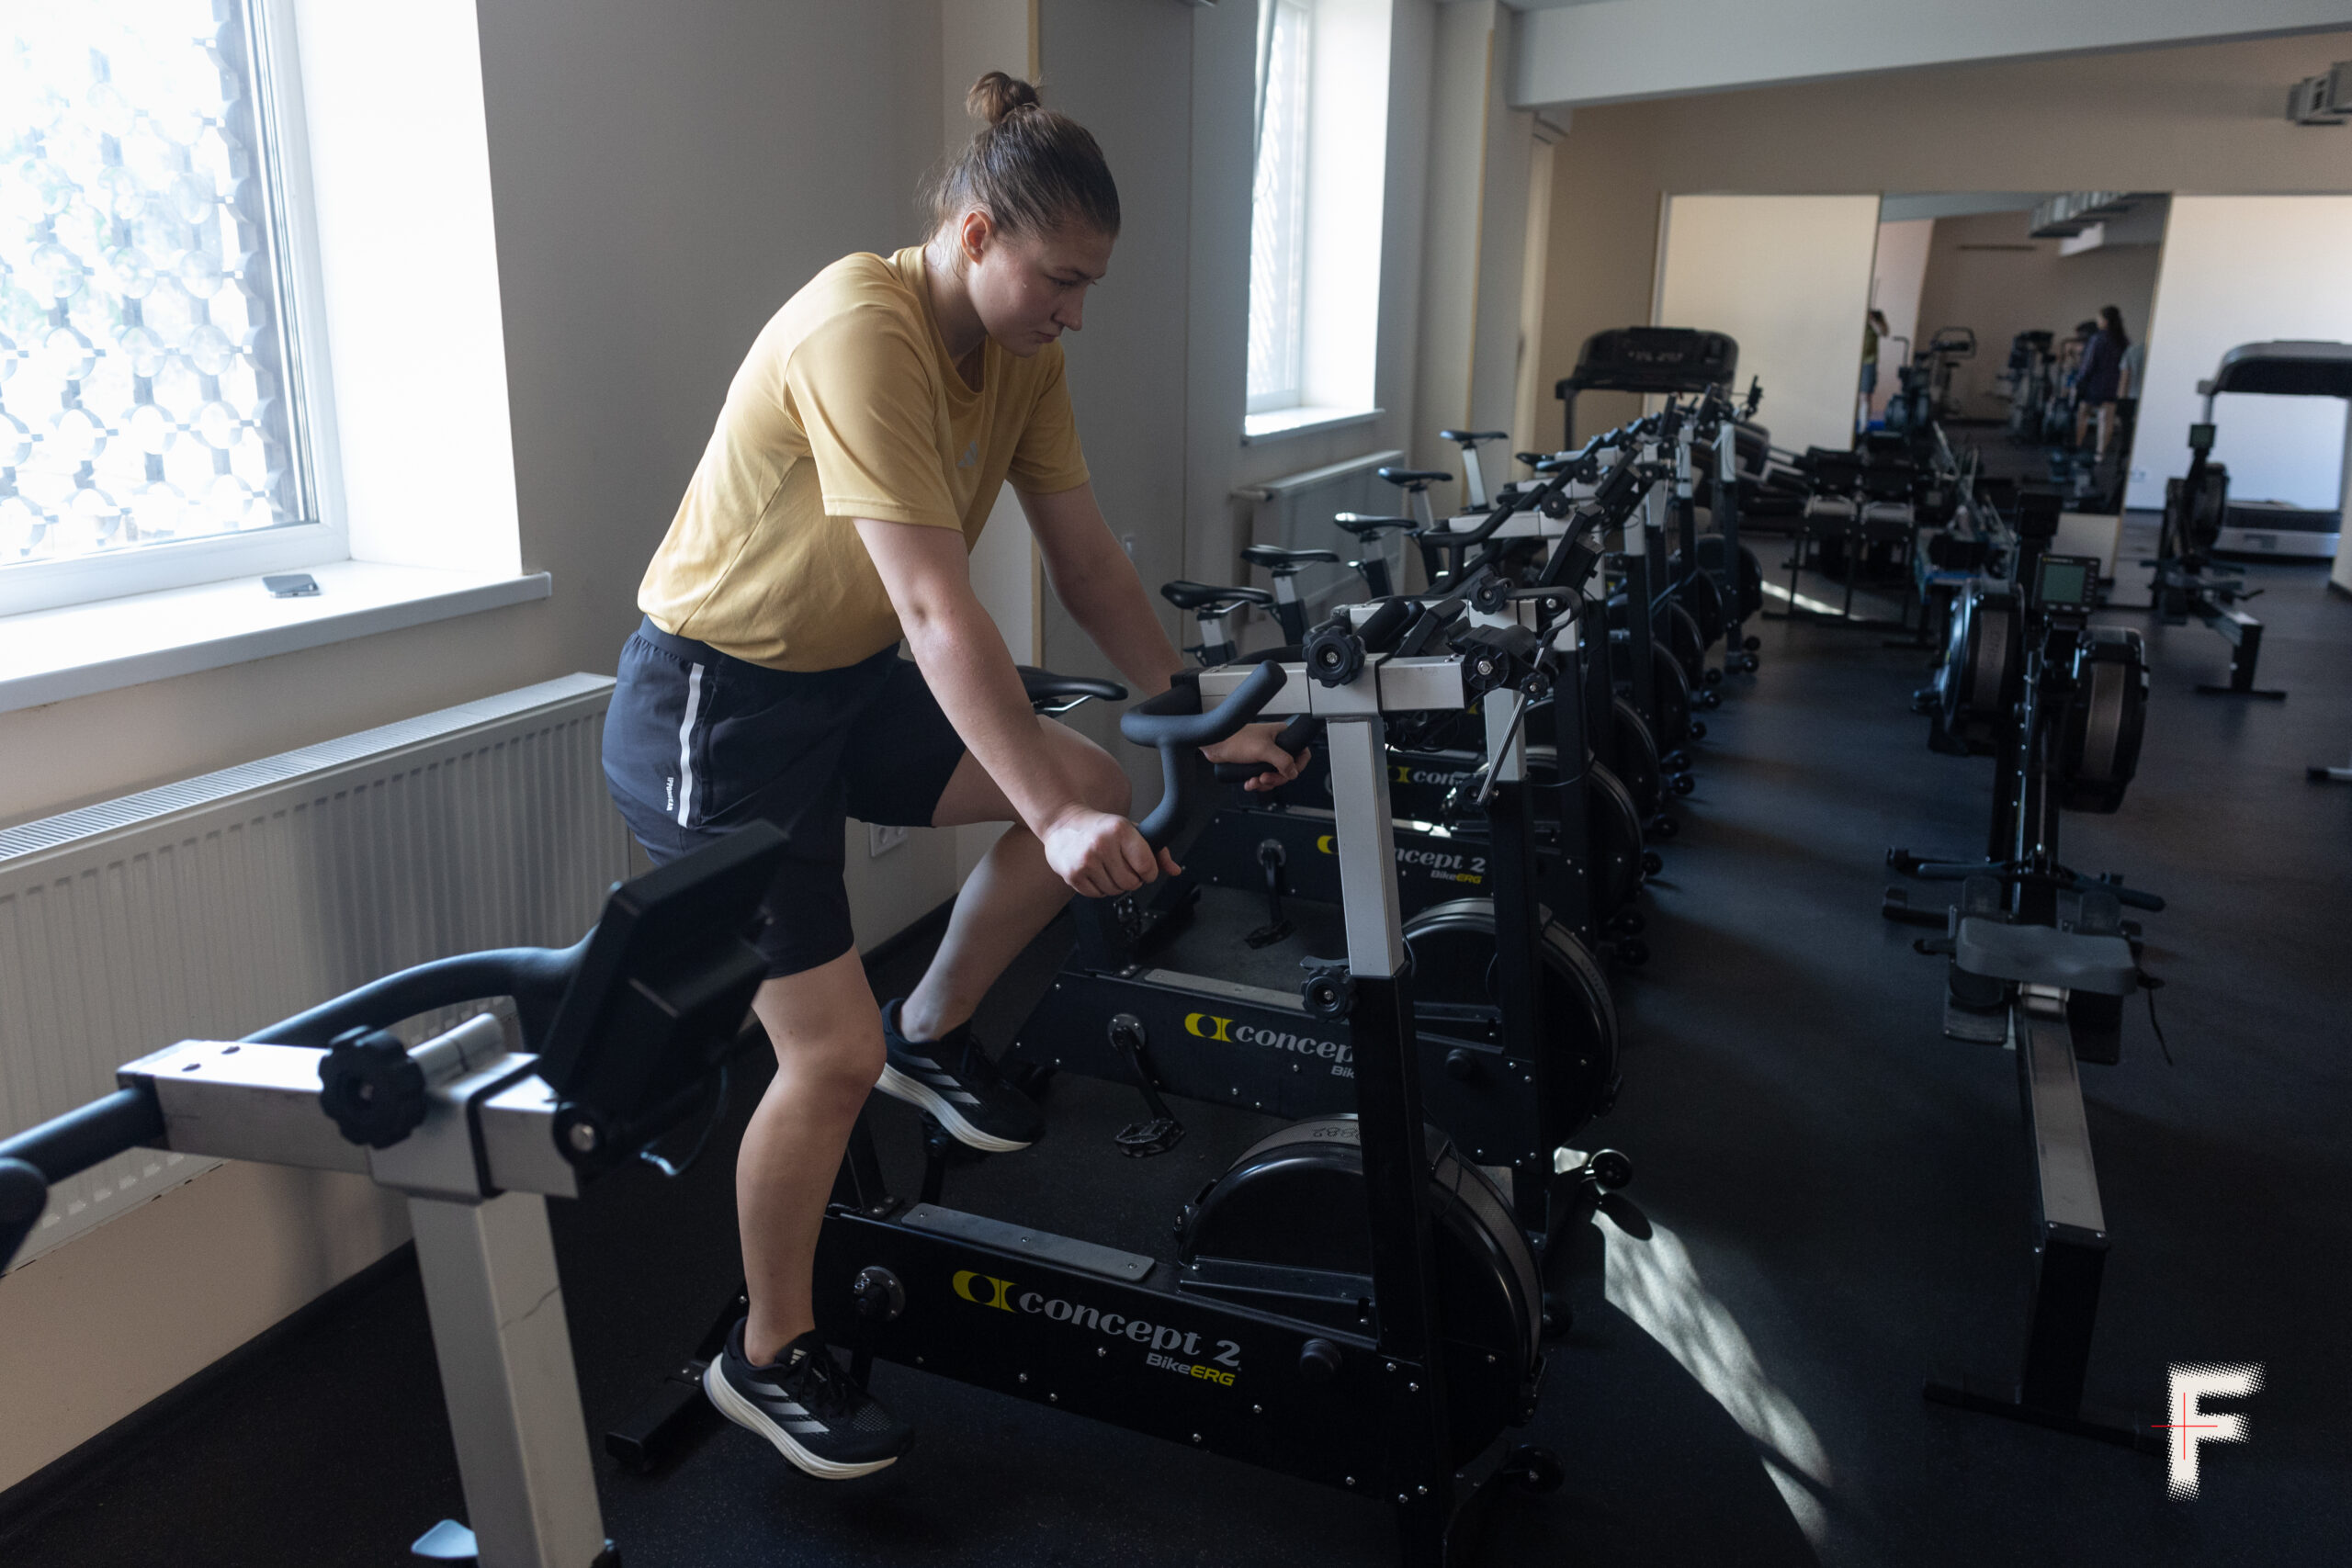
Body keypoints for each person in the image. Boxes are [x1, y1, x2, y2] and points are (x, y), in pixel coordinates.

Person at [601, 72, 1303, 1480]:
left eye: (1091, 284)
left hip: (842, 686)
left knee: (1091, 766)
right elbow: (938, 609)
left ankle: (932, 1027)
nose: (1074, 311)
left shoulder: (1024, 352)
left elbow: (1086, 560)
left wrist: (1186, 717)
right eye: (1060, 278)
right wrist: (1049, 814)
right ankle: (768, 1348)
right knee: (825, 1050)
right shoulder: (858, 327)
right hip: (714, 710)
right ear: (977, 234)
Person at [2072, 309, 2129, 457]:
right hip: (2113, 386)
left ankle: (2077, 445)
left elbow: (2089, 363)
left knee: (2083, 414)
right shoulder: (2123, 340)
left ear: (2105, 321)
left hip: (2095, 384)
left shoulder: (2098, 338)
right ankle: (2100, 453)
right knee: (2106, 420)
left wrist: (2080, 380)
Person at [1858, 308, 1889, 432]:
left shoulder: (1877, 315)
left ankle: (1863, 426)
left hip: (1868, 361)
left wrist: (1872, 321)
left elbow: (1884, 333)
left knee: (1865, 395)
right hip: (1852, 361)